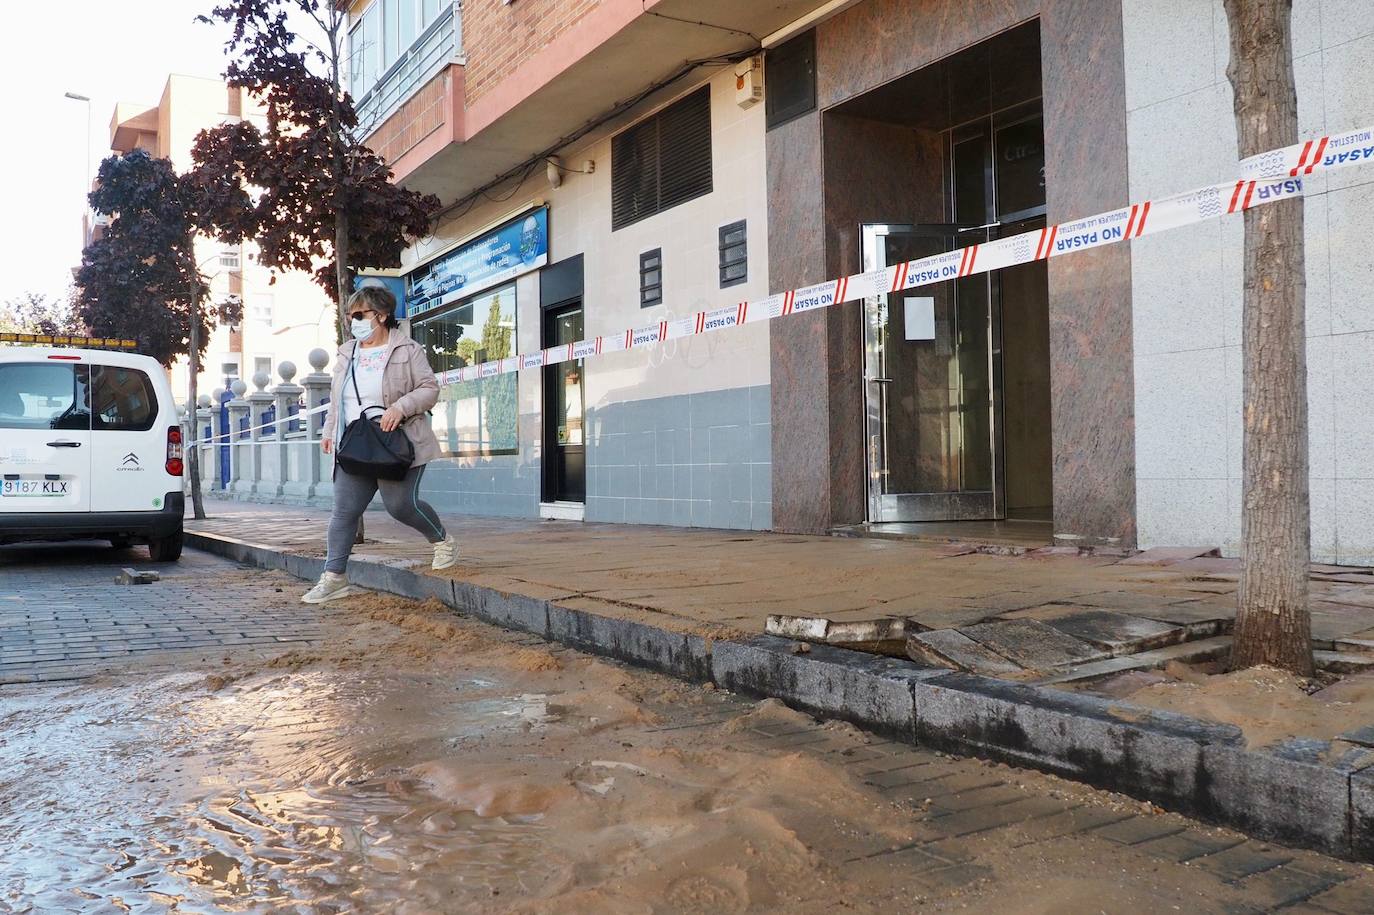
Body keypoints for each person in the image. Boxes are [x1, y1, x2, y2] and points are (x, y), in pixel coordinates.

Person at [301, 286, 457, 603]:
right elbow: (337, 400)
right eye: (349, 316)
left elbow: (429, 388)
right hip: (355, 443)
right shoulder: (347, 354)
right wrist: (329, 429)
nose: (352, 322)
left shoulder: (407, 349)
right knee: (344, 511)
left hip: (396, 440)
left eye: (359, 315)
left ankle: (441, 540)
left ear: (381, 316)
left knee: (400, 506)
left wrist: (401, 407)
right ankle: (334, 578)